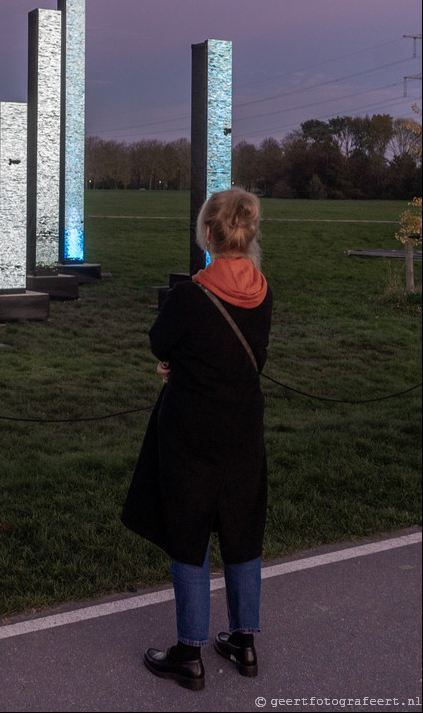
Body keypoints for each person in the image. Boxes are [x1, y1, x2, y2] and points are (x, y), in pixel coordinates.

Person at [121, 187, 273, 691]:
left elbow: (158, 342)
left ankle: (189, 652)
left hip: (190, 431)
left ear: (208, 234)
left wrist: (174, 366)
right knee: (243, 529)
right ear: (248, 235)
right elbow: (250, 358)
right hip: (243, 428)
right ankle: (244, 642)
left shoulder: (191, 294)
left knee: (189, 533)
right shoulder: (263, 290)